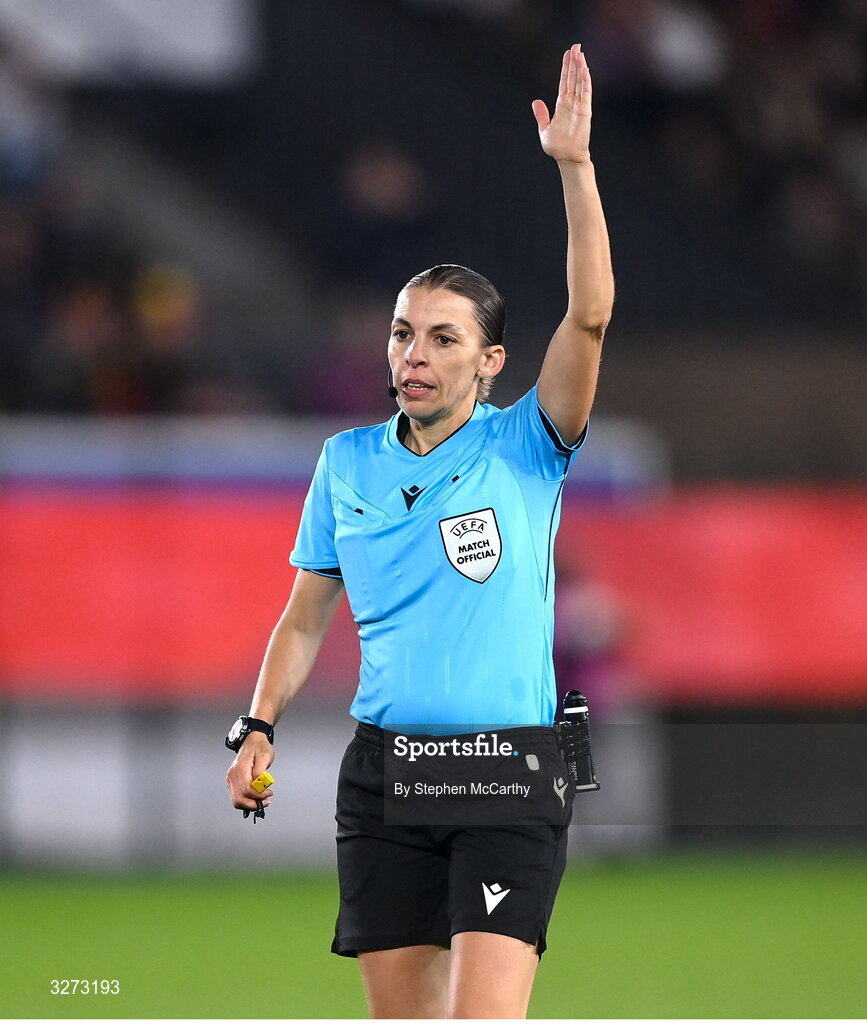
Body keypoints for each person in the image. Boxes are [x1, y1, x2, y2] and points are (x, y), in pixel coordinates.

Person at [226, 43, 613, 1019]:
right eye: (403, 333)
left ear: (490, 361)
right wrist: (260, 723)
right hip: (387, 779)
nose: (414, 354)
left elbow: (591, 315)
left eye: (443, 338)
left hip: (509, 774)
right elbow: (305, 616)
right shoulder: (346, 462)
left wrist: (574, 166)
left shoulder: (527, 444)